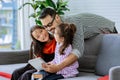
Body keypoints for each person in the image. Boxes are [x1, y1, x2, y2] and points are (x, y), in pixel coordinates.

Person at [38, 7, 84, 73]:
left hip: (102, 28)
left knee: (42, 76)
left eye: (49, 24)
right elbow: (57, 58)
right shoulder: (56, 32)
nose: (49, 29)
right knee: (35, 75)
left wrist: (57, 67)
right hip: (60, 70)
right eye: (45, 26)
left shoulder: (73, 23)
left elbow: (78, 50)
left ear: (57, 17)